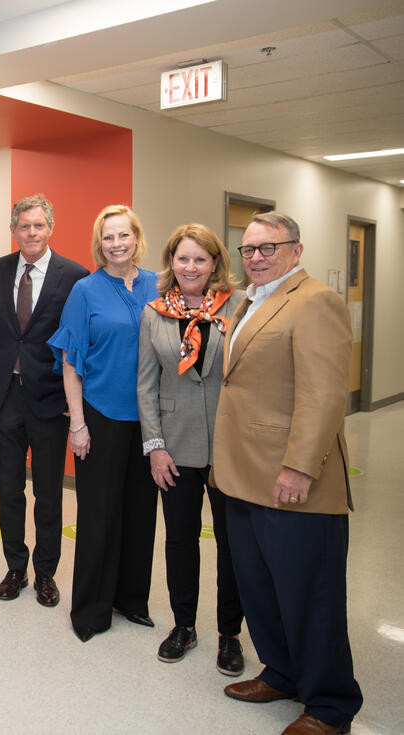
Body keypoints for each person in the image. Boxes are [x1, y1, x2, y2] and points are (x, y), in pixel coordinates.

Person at [213, 212, 360, 735]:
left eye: (267, 248)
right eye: (247, 249)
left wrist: (300, 467)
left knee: (309, 593)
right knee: (260, 587)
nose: (255, 257)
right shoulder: (251, 301)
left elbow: (323, 396)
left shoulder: (315, 300)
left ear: (296, 251)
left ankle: (328, 706)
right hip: (243, 475)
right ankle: (281, 673)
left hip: (291, 479)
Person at [136, 224, 245, 674]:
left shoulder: (238, 307)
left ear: (216, 262)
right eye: (183, 258)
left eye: (201, 259)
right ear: (171, 263)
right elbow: (146, 385)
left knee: (231, 545)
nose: (191, 267)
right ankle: (184, 625)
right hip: (175, 448)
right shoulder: (155, 312)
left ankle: (229, 634)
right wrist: (155, 447)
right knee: (180, 541)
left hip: (229, 447)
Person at [48, 204, 159, 642]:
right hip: (101, 415)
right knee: (98, 514)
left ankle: (131, 600)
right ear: (100, 243)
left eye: (123, 235)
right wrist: (77, 423)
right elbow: (70, 362)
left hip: (150, 420)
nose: (116, 244)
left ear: (136, 237)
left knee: (140, 512)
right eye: (108, 237)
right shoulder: (86, 290)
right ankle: (91, 610)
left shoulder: (157, 284)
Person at [0, 195, 88, 606]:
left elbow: (80, 340)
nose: (31, 233)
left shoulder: (74, 276)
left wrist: (75, 399)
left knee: (48, 492)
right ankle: (15, 567)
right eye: (24, 226)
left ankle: (46, 573)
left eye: (38, 226)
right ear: (15, 229)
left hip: (49, 400)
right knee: (8, 489)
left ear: (50, 228)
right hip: (5, 395)